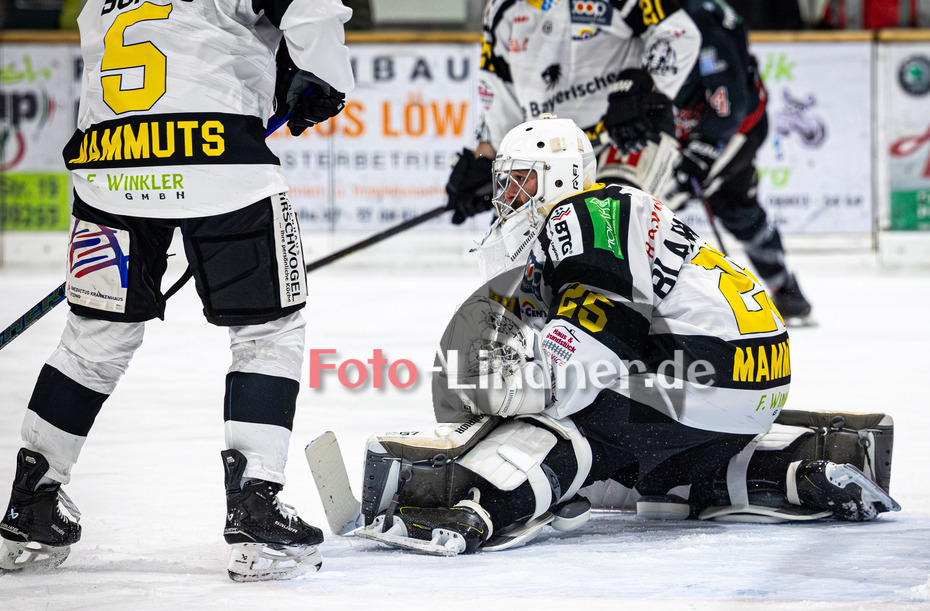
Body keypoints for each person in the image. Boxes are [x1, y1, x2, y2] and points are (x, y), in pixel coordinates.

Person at [355, 115, 897, 556]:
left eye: (522, 179)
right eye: (504, 182)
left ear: (561, 178)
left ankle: (479, 505)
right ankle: (795, 469)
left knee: (569, 420)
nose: (508, 196)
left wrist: (506, 389)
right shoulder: (613, 211)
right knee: (641, 477)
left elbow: (586, 356)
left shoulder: (583, 213)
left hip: (707, 369)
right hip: (750, 378)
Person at [0, 0, 354, 581]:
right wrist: (324, 77)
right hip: (218, 157)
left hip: (108, 162)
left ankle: (31, 502)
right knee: (267, 332)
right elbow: (310, 8)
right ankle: (254, 504)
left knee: (91, 342)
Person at [445, 0, 813, 324]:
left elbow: (729, 96)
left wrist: (698, 146)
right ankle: (537, 326)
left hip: (681, 130)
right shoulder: (504, 11)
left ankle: (774, 285)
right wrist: (489, 157)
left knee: (715, 210)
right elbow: (499, 87)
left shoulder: (704, 15)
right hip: (593, 135)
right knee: (539, 228)